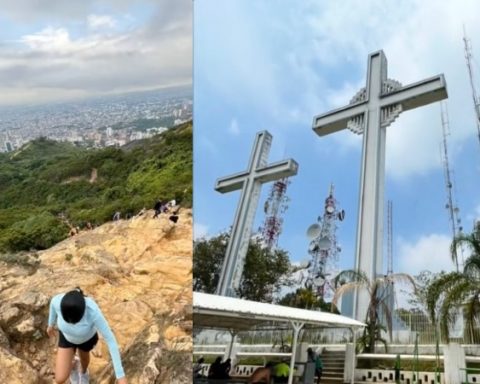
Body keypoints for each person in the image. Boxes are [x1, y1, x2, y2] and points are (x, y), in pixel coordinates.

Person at [47, 288, 127, 384]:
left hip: (86, 339)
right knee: (59, 379)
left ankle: (83, 372)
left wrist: (120, 375)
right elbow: (52, 303)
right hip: (67, 338)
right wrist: (50, 325)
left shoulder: (92, 311)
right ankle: (73, 364)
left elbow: (110, 339)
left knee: (84, 361)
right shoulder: (58, 301)